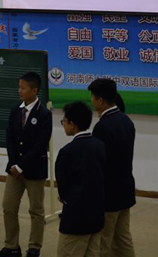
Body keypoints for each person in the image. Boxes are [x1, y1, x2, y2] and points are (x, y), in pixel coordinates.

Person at [0, 72, 52, 257]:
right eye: (19, 87)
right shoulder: (15, 110)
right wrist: (14, 164)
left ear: (34, 90)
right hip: (14, 170)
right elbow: (9, 137)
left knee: (36, 210)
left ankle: (34, 248)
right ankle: (11, 246)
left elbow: (40, 144)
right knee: (9, 207)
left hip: (34, 170)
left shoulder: (44, 114)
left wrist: (21, 166)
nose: (19, 91)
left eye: (23, 88)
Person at [89, 78, 136, 257]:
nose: (91, 100)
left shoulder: (102, 127)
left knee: (103, 241)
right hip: (125, 190)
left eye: (93, 97)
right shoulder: (126, 120)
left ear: (101, 100)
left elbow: (99, 164)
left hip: (109, 195)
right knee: (123, 238)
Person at [56, 101, 106, 257]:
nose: (63, 124)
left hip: (75, 219)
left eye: (64, 121)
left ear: (72, 124)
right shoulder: (99, 145)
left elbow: (63, 187)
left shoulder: (67, 152)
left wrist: (65, 197)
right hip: (96, 216)